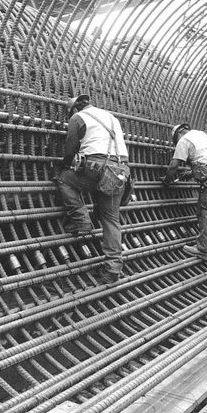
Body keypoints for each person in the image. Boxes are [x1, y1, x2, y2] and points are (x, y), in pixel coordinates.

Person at [55, 94, 128, 284]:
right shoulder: (112, 118)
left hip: (96, 169)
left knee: (64, 180)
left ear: (74, 109)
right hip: (119, 172)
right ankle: (113, 269)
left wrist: (64, 165)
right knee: (111, 219)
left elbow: (70, 149)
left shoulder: (77, 118)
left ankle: (81, 219)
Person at [163, 123, 207, 259]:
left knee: (206, 211)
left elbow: (174, 165)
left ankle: (203, 248)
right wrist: (191, 173)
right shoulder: (201, 134)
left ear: (178, 134)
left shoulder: (183, 140)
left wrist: (167, 180)